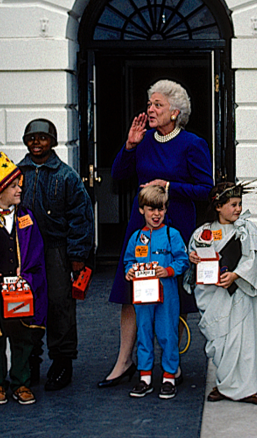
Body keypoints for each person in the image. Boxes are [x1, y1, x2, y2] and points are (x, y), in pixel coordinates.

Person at [100, 79, 213, 387]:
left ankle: (168, 363)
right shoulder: (145, 139)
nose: (150, 109)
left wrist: (169, 186)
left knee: (170, 295)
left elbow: (207, 190)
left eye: (157, 105)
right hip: (141, 230)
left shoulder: (193, 144)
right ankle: (125, 361)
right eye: (150, 104)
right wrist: (129, 146)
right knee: (131, 291)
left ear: (175, 112)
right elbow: (120, 176)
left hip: (175, 227)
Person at [187, 181, 257, 406]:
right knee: (221, 343)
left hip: (239, 295)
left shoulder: (246, 230)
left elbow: (252, 260)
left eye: (240, 204)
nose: (238, 209)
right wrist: (192, 258)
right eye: (233, 204)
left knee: (243, 341)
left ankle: (249, 387)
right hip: (214, 296)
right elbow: (194, 255)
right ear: (218, 207)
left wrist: (235, 276)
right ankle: (226, 385)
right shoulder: (203, 232)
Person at [19, 118, 95, 391]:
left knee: (59, 305)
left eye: (42, 137)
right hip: (25, 251)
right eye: (31, 138)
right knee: (24, 303)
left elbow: (81, 218)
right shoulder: (17, 173)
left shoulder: (67, 176)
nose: (36, 143)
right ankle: (28, 360)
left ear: (53, 140)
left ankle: (62, 361)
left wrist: (77, 255)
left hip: (56, 251)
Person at [0, 150, 47, 406]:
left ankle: (21, 382)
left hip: (21, 286)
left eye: (18, 185)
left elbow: (35, 248)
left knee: (21, 335)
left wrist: (26, 274)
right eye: (13, 186)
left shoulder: (26, 217)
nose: (19, 189)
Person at [124, 185, 189, 399]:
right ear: (142, 210)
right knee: (143, 332)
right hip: (143, 294)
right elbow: (129, 261)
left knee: (167, 333)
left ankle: (169, 377)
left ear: (166, 209)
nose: (156, 214)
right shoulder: (136, 237)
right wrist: (130, 271)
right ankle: (145, 378)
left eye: (160, 209)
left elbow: (183, 260)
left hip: (167, 294)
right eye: (151, 209)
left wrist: (169, 270)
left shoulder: (172, 235)